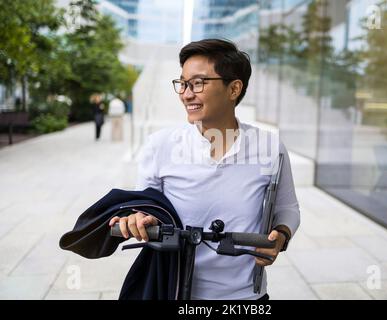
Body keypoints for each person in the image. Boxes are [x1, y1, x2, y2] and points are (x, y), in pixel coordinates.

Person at [108, 39, 300, 300]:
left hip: (245, 296)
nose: (186, 94)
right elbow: (145, 207)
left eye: (198, 83)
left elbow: (287, 209)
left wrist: (282, 236)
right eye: (183, 83)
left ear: (234, 89)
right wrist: (138, 218)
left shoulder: (269, 147)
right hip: (174, 292)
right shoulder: (161, 145)